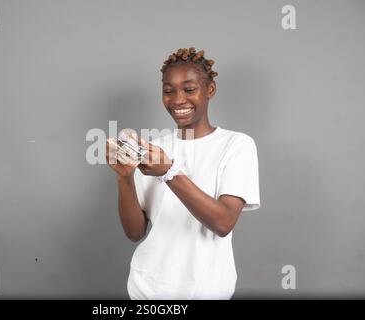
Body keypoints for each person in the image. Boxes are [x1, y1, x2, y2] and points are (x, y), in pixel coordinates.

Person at [105, 47, 260, 299]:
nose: (178, 100)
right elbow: (135, 232)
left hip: (206, 290)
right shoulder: (155, 148)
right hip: (147, 289)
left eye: (189, 89)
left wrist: (168, 172)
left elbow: (223, 223)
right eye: (168, 91)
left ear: (210, 90)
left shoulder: (237, 145)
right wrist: (124, 177)